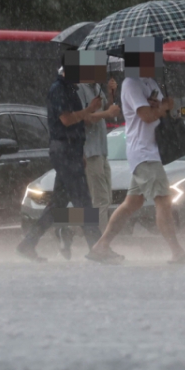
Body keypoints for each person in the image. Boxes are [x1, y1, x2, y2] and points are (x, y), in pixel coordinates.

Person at [88, 37, 185, 264]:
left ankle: (101, 246)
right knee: (163, 199)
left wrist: (168, 107)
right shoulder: (131, 84)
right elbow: (147, 115)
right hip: (143, 152)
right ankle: (177, 252)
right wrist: (163, 107)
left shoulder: (150, 81)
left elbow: (161, 112)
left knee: (132, 203)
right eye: (150, 54)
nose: (155, 58)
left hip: (150, 151)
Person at [17, 50, 106, 262]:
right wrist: (89, 110)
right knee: (84, 201)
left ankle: (28, 243)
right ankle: (98, 247)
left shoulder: (70, 89)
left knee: (58, 204)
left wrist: (80, 151)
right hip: (64, 150)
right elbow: (66, 120)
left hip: (71, 150)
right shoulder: (59, 89)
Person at [56, 76, 119, 260]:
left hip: (101, 150)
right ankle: (100, 246)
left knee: (103, 200)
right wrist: (106, 113)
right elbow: (86, 118)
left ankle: (66, 227)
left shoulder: (96, 87)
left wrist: (110, 94)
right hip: (89, 151)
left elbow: (108, 112)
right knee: (100, 201)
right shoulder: (81, 88)